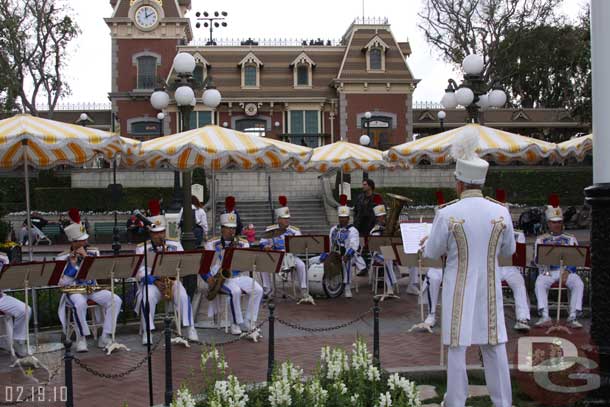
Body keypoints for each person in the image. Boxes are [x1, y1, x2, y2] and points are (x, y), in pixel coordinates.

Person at [423, 129, 515, 407]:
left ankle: (456, 402)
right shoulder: (501, 212)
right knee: (494, 346)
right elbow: (509, 251)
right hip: (489, 288)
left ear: (460, 182)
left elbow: (431, 252)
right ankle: (503, 403)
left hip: (457, 289)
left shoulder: (448, 213)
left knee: (456, 348)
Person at [55, 209, 123, 353]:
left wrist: (86, 259)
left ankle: (105, 335)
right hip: (73, 292)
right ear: (74, 242)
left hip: (92, 289)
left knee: (115, 300)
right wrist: (72, 267)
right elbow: (62, 284)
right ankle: (81, 338)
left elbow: (97, 273)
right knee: (80, 303)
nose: (86, 242)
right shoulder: (62, 258)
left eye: (85, 239)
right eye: (82, 240)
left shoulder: (93, 252)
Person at [134, 200, 199, 345]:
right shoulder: (141, 248)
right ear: (150, 233)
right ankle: (148, 331)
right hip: (152, 283)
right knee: (147, 297)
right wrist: (154, 281)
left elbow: (182, 265)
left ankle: (190, 328)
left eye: (162, 232)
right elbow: (139, 272)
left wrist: (174, 274)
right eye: (156, 233)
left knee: (183, 296)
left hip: (171, 281)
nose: (159, 236)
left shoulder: (175, 245)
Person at [202, 213, 264, 335]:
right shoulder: (212, 244)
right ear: (222, 228)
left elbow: (246, 263)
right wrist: (208, 279)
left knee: (258, 289)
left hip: (237, 276)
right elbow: (203, 266)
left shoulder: (243, 243)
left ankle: (249, 321)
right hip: (221, 279)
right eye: (229, 228)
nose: (232, 231)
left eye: (234, 228)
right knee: (235, 291)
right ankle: (234, 323)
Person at [533, 197, 584, 329]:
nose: (557, 224)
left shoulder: (570, 238)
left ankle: (573, 316)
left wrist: (567, 271)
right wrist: (543, 266)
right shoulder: (541, 240)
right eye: (553, 222)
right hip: (548, 271)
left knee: (578, 282)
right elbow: (536, 259)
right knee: (540, 282)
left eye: (559, 222)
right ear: (548, 223)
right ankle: (545, 316)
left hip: (566, 271)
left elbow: (576, 258)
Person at [260, 196, 311, 302]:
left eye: (288, 218)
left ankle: (303, 289)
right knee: (262, 265)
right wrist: (266, 246)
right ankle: (267, 289)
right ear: (279, 219)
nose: (288, 220)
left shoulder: (294, 231)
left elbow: (300, 245)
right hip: (275, 257)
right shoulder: (270, 229)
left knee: (301, 265)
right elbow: (262, 242)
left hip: (290, 256)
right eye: (285, 218)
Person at [323, 194, 366, 298]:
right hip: (335, 254)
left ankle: (347, 286)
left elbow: (354, 246)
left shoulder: (353, 230)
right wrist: (325, 254)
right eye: (341, 217)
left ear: (348, 218)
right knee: (318, 260)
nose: (342, 220)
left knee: (346, 260)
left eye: (345, 218)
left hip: (351, 255)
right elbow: (329, 243)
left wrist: (347, 255)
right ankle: (329, 284)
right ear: (338, 218)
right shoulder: (333, 229)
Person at [0, 253, 32, 358]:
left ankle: (18, 341)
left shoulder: (2, 258)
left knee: (25, 309)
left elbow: (7, 285)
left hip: (0, 297)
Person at [368, 196, 399, 295]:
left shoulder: (388, 227)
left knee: (389, 257)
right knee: (387, 259)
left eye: (384, 216)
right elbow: (375, 247)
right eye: (381, 217)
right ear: (377, 218)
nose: (383, 218)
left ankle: (392, 284)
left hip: (388, 252)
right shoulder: (375, 230)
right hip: (377, 254)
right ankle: (390, 286)